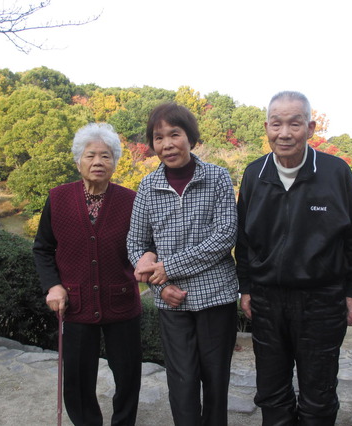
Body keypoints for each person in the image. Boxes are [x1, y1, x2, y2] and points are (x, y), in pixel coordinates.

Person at [236, 91, 352, 425]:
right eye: (277, 124)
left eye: (294, 124)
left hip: (322, 300)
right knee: (271, 390)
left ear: (310, 127)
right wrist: (246, 288)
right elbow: (244, 238)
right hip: (268, 300)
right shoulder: (255, 174)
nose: (285, 133)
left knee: (318, 392)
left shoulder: (335, 172)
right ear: (267, 127)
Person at [127, 102, 239, 426]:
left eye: (174, 134)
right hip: (171, 302)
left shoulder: (217, 177)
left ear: (191, 137)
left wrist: (168, 268)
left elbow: (225, 237)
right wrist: (158, 285)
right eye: (159, 138)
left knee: (216, 380)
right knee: (182, 382)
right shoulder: (148, 186)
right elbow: (136, 244)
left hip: (216, 298)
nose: (167, 144)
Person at [33, 122, 142, 426]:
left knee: (128, 374)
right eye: (90, 155)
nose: (98, 162)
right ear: (78, 161)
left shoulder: (132, 200)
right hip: (76, 303)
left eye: (106, 156)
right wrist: (52, 285)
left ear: (115, 162)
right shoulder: (57, 198)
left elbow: (146, 247)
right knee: (78, 380)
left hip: (121, 302)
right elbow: (42, 248)